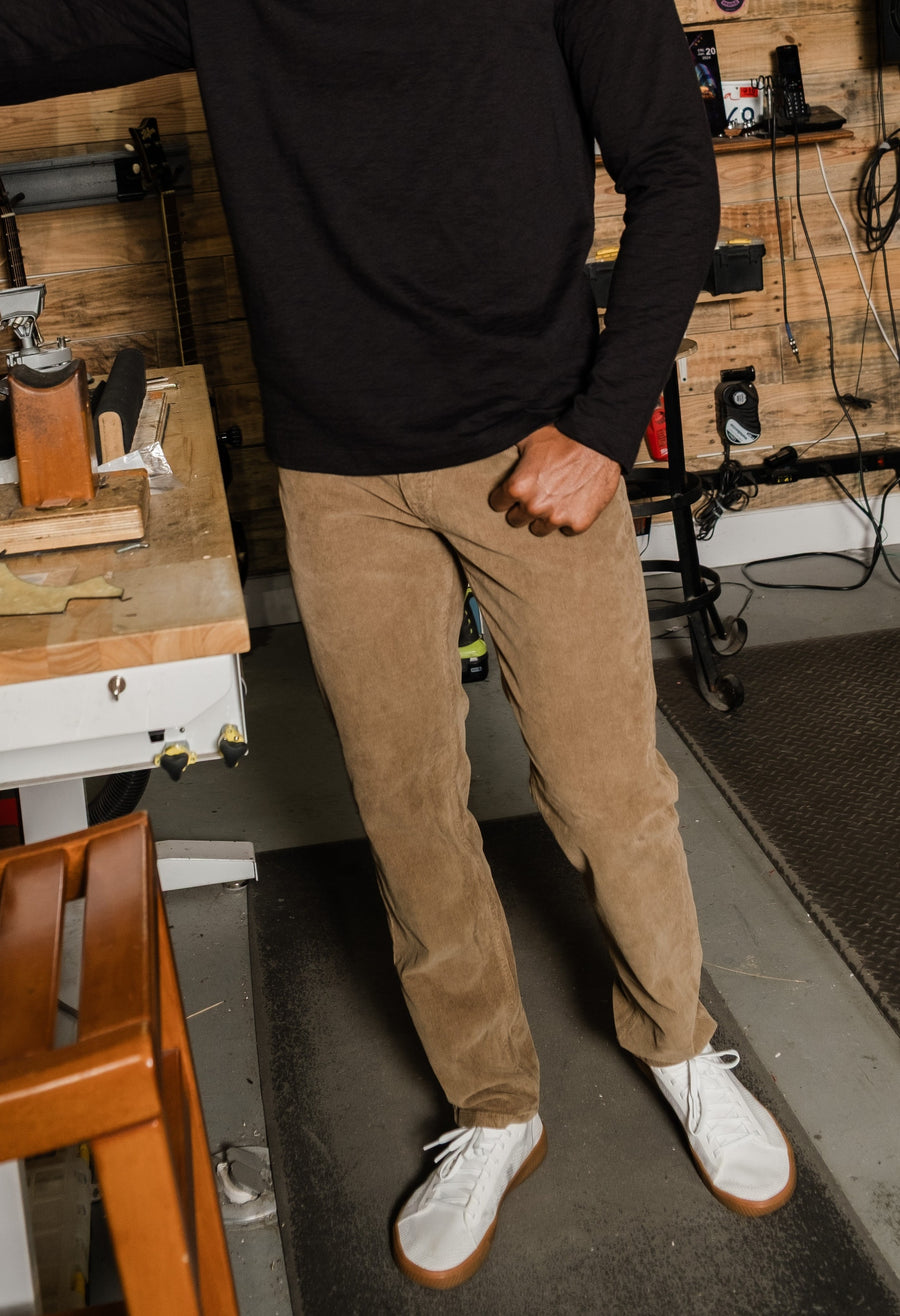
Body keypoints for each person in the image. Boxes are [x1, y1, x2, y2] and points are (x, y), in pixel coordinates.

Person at [3, 0, 795, 1289]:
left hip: (538, 439)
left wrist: (602, 429)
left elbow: (671, 170)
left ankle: (679, 1045)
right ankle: (495, 1106)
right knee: (408, 805)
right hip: (337, 471)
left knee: (606, 792)